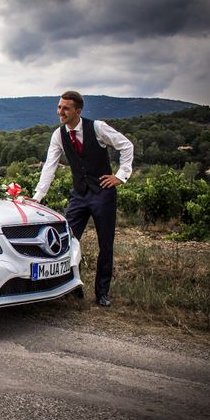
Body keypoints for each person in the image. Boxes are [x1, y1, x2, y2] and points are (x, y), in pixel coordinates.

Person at [32, 91, 133, 307]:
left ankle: (102, 293)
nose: (60, 112)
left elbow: (127, 146)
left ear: (78, 111)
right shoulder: (58, 135)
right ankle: (68, 288)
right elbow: (49, 167)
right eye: (59, 107)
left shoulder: (97, 127)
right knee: (65, 241)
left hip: (103, 194)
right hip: (79, 195)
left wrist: (120, 176)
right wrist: (38, 197)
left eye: (65, 108)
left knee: (105, 244)